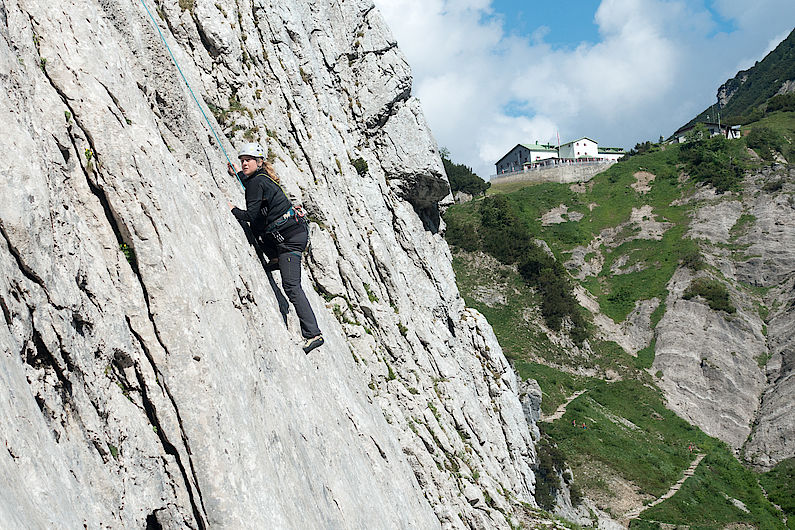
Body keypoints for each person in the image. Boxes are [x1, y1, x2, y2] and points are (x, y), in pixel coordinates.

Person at [227, 142, 324, 354]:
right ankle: (275, 258)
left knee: (291, 286)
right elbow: (254, 189)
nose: (244, 163)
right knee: (261, 229)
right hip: (292, 232)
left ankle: (313, 334)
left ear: (259, 162)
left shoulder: (257, 183)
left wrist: (233, 210)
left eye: (248, 160)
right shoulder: (261, 179)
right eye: (242, 160)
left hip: (289, 240)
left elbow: (250, 216)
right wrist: (238, 174)